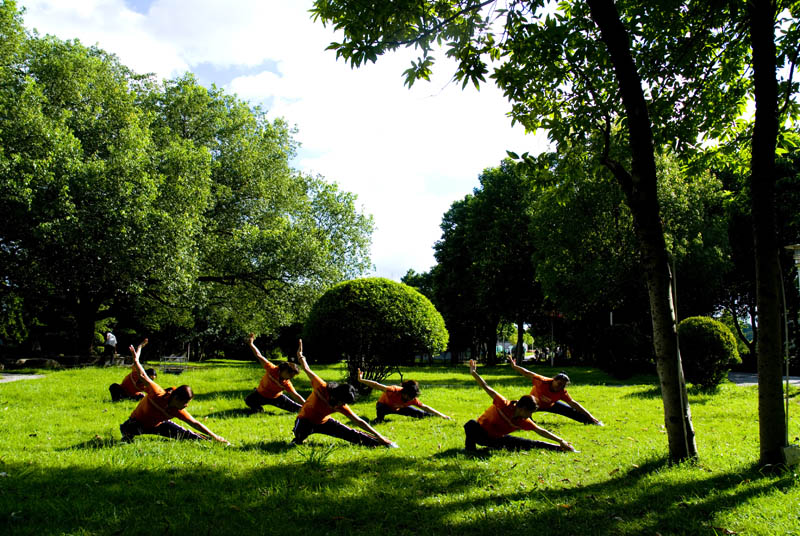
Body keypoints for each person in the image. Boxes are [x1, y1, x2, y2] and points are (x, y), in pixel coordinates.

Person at [291, 340, 396, 448]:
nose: (339, 405)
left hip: (324, 423)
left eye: (343, 403)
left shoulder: (341, 405)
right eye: (339, 401)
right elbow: (307, 369)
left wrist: (380, 437)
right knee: (298, 437)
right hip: (304, 421)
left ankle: (383, 443)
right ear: (335, 394)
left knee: (353, 435)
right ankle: (298, 438)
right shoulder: (321, 387)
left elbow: (359, 421)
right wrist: (300, 356)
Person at [119, 342, 228, 444]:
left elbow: (195, 423)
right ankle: (127, 435)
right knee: (129, 431)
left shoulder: (177, 410)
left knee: (187, 435)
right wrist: (136, 360)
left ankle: (211, 442)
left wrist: (215, 437)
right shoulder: (157, 393)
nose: (186, 405)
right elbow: (143, 376)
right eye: (185, 402)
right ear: (176, 398)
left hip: (158, 426)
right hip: (136, 423)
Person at [464, 359, 576, 452]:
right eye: (529, 412)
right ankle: (470, 450)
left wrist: (560, 441)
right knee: (471, 424)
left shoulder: (523, 420)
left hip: (496, 440)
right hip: (480, 433)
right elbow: (487, 387)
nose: (530, 415)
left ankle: (560, 449)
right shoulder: (504, 404)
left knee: (529, 444)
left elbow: (541, 431)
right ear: (522, 408)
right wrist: (474, 373)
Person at [507, 356, 603, 425]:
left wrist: (591, 417)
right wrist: (514, 366)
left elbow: (574, 404)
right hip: (534, 405)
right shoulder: (543, 381)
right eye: (559, 384)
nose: (560, 387)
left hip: (550, 405)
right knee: (521, 409)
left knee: (572, 411)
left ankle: (593, 422)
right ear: (554, 380)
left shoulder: (562, 392)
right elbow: (527, 373)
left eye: (564, 385)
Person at [356, 369, 452, 423]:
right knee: (381, 409)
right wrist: (361, 380)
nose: (411, 399)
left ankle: (436, 418)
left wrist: (443, 416)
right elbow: (376, 385)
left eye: (413, 397)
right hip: (385, 406)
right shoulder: (393, 390)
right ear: (404, 393)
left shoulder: (412, 399)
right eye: (409, 397)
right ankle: (379, 419)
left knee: (422, 414)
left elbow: (425, 407)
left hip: (399, 409)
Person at [244, 333, 305, 413]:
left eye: (292, 376)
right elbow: (259, 356)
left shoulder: (286, 383)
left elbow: (296, 396)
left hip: (277, 398)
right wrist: (251, 344)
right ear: (283, 370)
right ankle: (259, 409)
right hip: (260, 395)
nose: (290, 377)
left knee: (299, 409)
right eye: (290, 374)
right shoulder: (272, 369)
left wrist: (308, 405)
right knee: (248, 400)